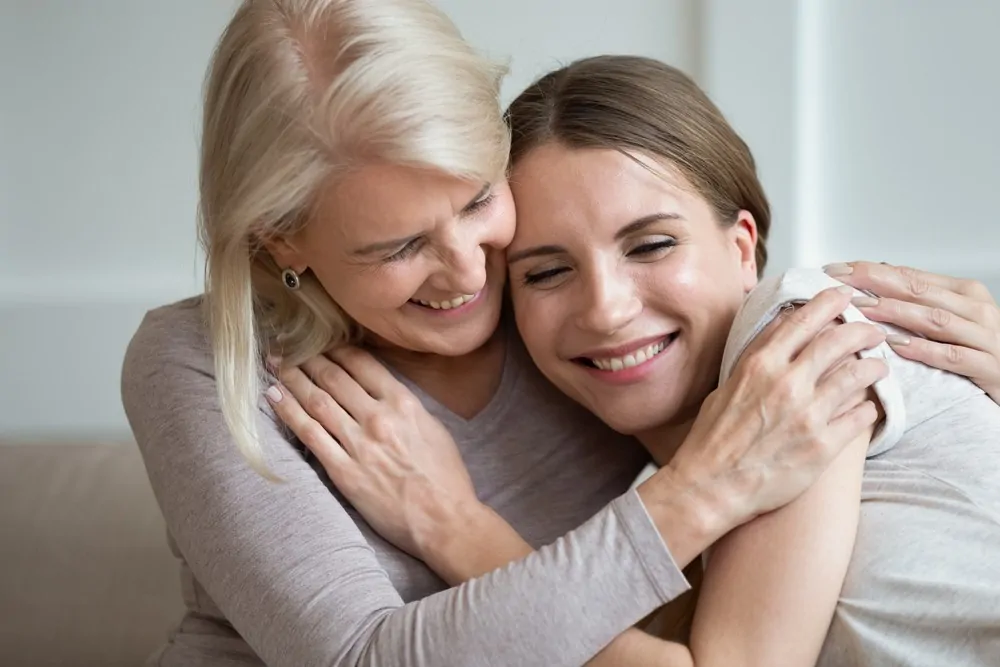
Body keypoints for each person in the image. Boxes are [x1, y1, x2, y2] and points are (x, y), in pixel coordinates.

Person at [119, 1, 998, 664]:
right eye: (399, 247)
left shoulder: (583, 335)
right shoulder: (202, 363)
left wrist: (455, 524)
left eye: (477, 201)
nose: (468, 272)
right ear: (282, 240)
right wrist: (700, 489)